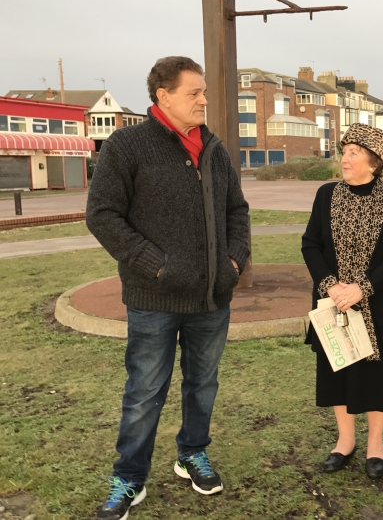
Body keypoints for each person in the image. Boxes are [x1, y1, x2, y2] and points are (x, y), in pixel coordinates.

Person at [86, 56, 250, 520]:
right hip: (154, 298)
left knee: (203, 384)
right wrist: (156, 266)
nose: (203, 100)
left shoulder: (214, 148)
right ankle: (129, 478)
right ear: (163, 95)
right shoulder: (127, 146)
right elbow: (102, 215)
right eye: (193, 93)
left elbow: (237, 211)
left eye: (203, 92)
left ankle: (191, 453)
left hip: (212, 299)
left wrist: (233, 261)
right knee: (144, 391)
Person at [301, 123, 383, 480]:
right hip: (334, 304)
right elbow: (311, 244)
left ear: (374, 162)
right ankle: (344, 442)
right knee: (338, 371)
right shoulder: (326, 194)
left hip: (376, 303)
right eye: (344, 151)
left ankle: (375, 445)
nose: (344, 159)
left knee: (377, 376)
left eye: (353, 153)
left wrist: (362, 288)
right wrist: (331, 286)